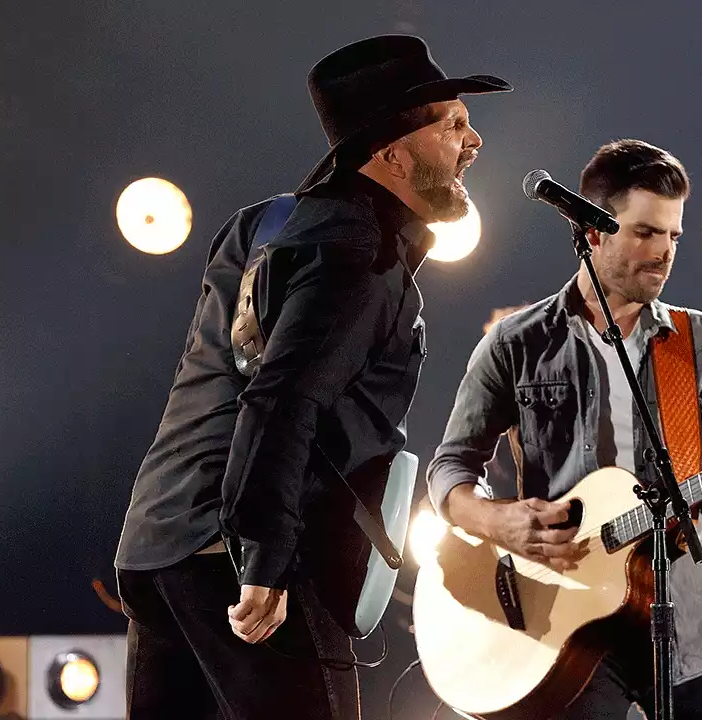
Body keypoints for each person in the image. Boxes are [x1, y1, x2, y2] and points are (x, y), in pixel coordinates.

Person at [114, 35, 509, 719]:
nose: (473, 140)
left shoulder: (267, 222)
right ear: (391, 153)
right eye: (451, 123)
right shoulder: (359, 250)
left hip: (160, 545)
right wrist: (264, 561)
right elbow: (282, 398)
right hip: (244, 560)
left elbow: (218, 382)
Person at [427, 139, 702, 719]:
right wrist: (501, 521)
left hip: (688, 631)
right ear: (593, 231)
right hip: (569, 627)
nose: (665, 252)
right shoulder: (516, 343)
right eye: (646, 232)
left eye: (673, 236)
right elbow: (449, 467)